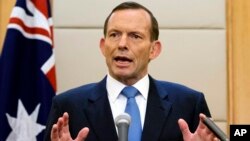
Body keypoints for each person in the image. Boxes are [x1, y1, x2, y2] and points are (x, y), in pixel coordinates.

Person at [44, 1, 219, 141]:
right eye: (114, 35)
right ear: (103, 46)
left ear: (154, 50)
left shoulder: (188, 104)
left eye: (135, 36)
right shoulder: (68, 107)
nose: (122, 44)